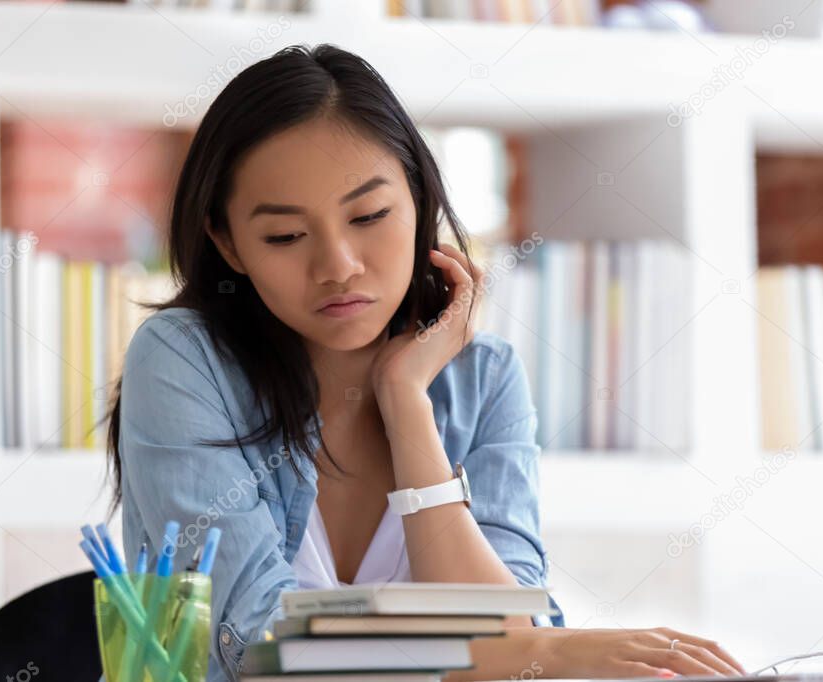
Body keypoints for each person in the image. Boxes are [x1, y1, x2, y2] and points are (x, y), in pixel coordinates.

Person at [102, 43, 746, 682]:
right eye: (285, 236)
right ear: (229, 243)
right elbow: (258, 650)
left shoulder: (482, 378)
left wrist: (406, 398)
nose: (338, 266)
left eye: (371, 215)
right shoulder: (183, 361)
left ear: (419, 203)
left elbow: (509, 644)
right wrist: (546, 651)